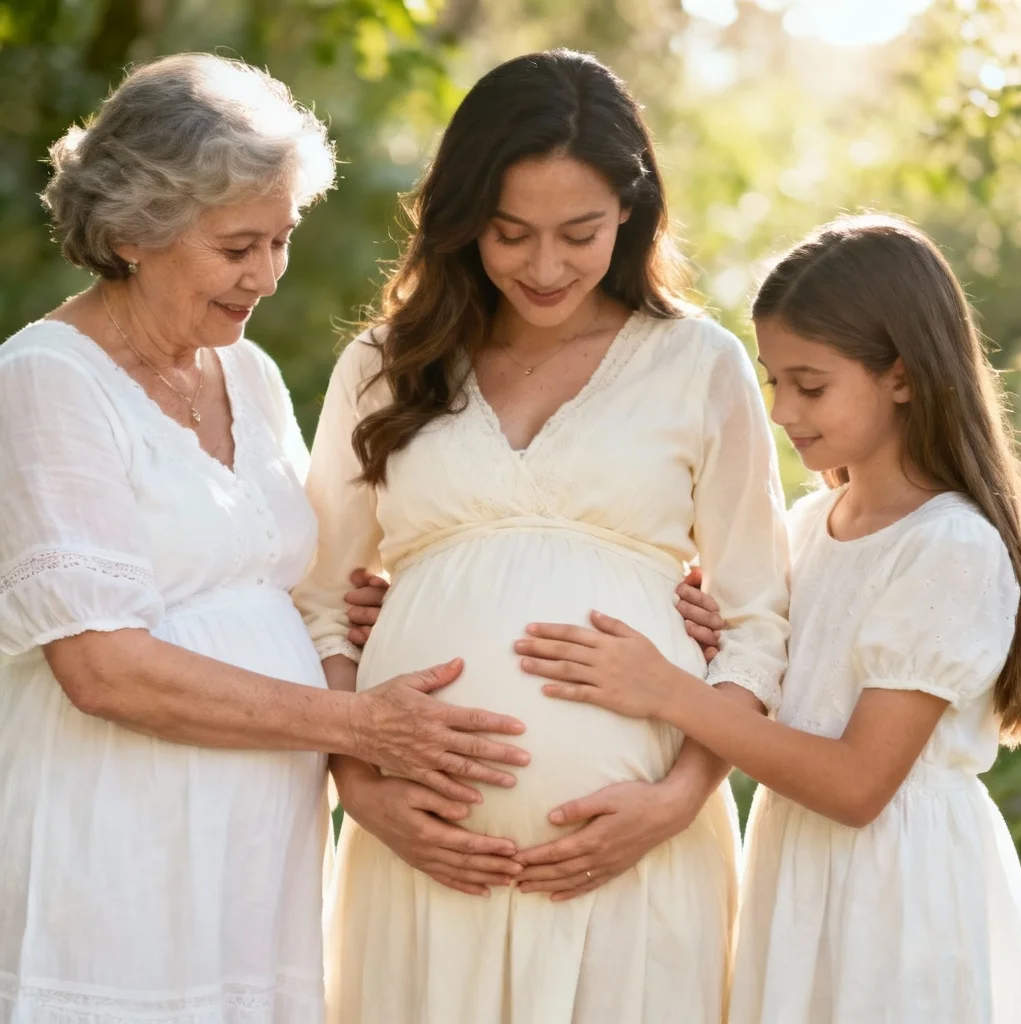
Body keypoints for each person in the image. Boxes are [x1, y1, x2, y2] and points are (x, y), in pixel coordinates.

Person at [0, 53, 528, 1024]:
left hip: (253, 860)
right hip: (122, 842)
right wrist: (363, 727)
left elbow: (281, 578)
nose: (268, 275)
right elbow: (103, 667)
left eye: (281, 239)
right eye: (237, 245)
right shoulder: (46, 380)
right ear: (132, 234)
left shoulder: (246, 375)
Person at [292, 49, 790, 1024]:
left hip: (631, 855)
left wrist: (677, 796)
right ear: (462, 217)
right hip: (421, 859)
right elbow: (315, 600)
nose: (546, 266)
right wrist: (364, 788)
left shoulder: (699, 364)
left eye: (580, 233)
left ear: (631, 215)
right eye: (510, 233)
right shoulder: (382, 364)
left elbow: (757, 619)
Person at [516, 214, 1021, 1023]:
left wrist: (667, 693)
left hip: (896, 894)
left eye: (811, 384)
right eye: (773, 380)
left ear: (902, 376)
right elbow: (775, 684)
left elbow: (858, 785)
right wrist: (696, 633)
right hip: (799, 872)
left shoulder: (949, 547)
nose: (783, 411)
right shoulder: (802, 530)